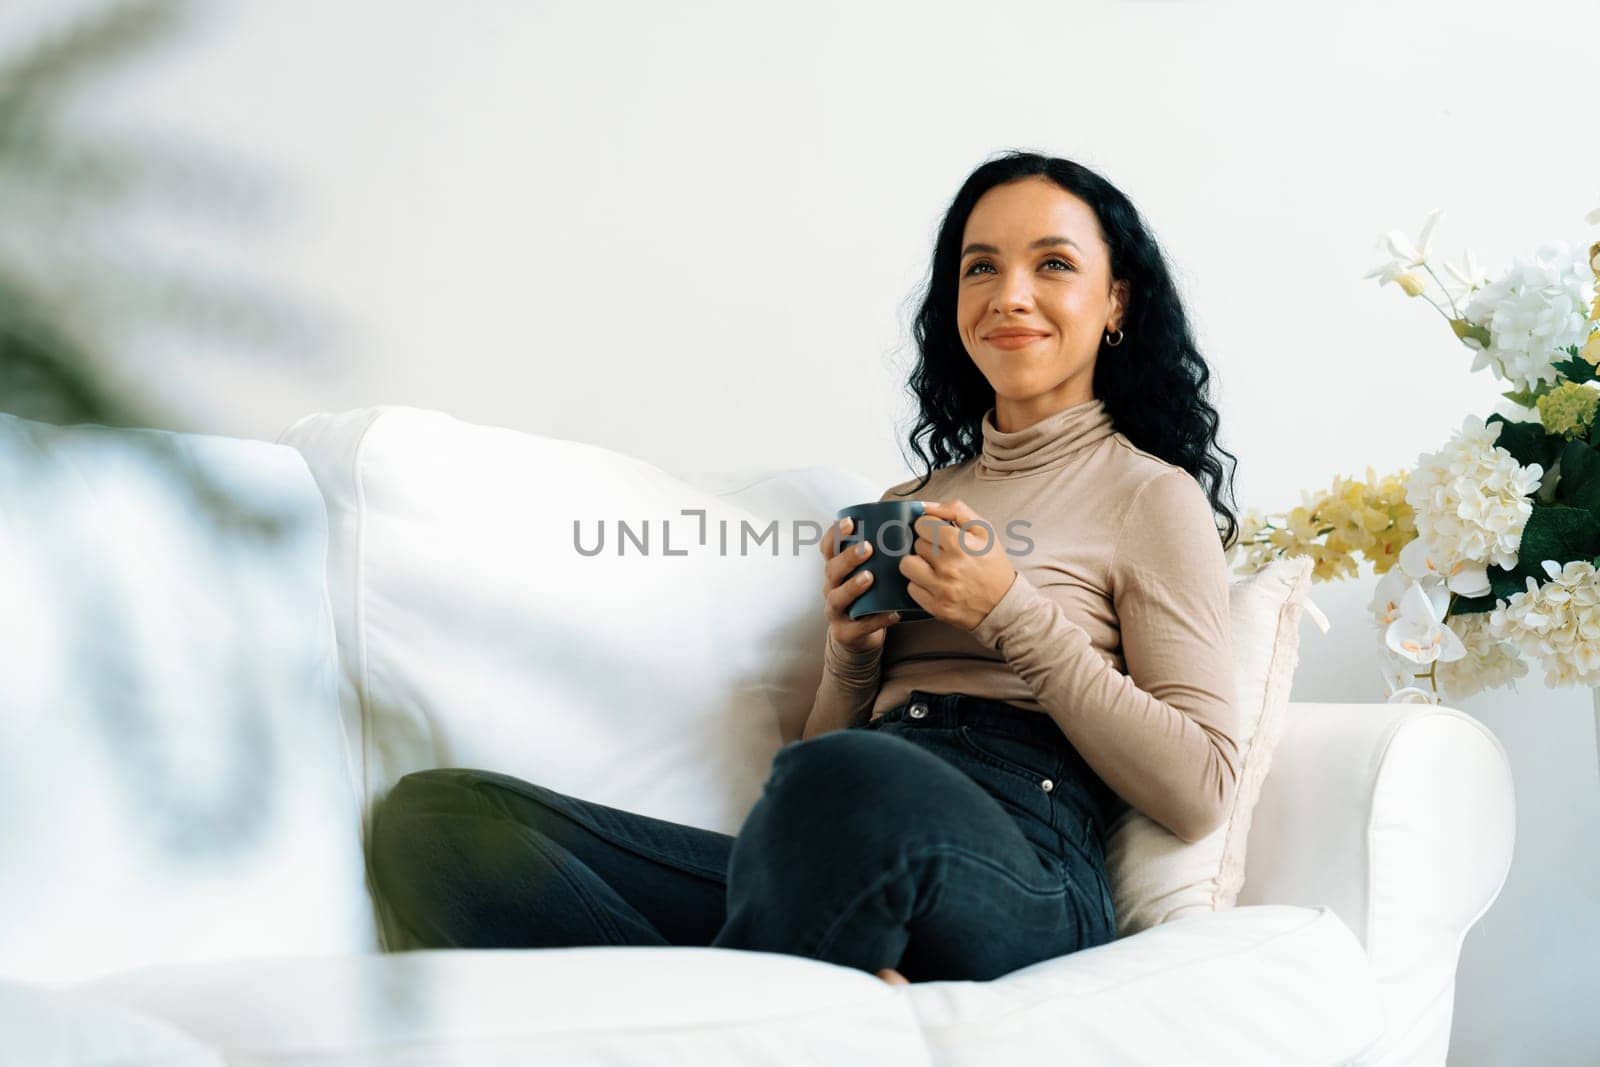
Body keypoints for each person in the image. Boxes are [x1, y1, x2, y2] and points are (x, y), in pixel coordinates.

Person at [368, 149, 1242, 986]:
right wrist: (851, 650)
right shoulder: (911, 498)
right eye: (980, 267)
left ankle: (765, 990)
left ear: (1116, 300)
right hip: (842, 840)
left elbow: (1201, 786)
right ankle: (792, 995)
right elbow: (822, 764)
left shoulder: (1149, 496)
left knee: (850, 784)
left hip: (1023, 862)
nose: (1010, 294)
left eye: (1052, 264)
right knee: (439, 822)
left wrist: (1011, 609)